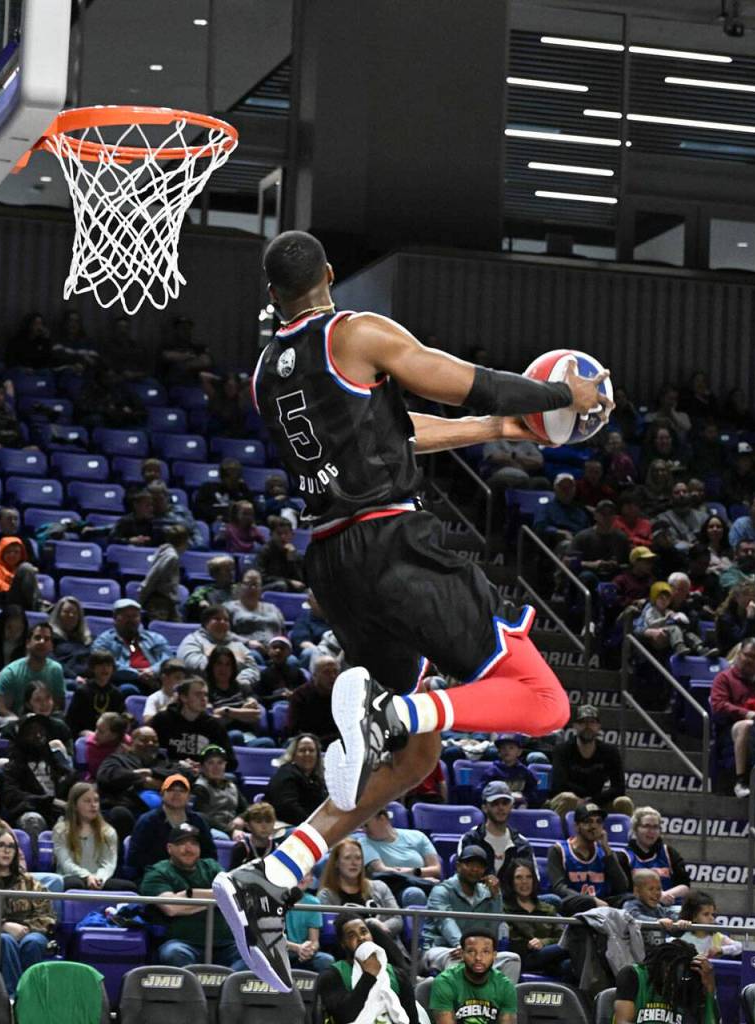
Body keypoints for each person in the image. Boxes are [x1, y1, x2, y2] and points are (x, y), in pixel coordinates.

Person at [211, 231, 600, 990]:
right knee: (545, 703)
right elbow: (468, 384)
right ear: (330, 276)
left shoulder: (265, 374)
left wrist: (495, 431)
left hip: (335, 564)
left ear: (272, 295)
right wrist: (563, 398)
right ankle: (392, 714)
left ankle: (274, 873)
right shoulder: (356, 331)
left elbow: (399, 432)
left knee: (416, 762)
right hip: (392, 545)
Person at [139, 823, 244, 968]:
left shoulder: (211, 866)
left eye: (194, 843)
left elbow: (232, 893)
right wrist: (216, 899)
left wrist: (188, 894)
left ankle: (228, 982)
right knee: (173, 953)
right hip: (182, 944)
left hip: (226, 944)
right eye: (181, 843)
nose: (188, 849)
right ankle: (196, 984)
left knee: (255, 954)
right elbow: (171, 908)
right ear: (169, 848)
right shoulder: (157, 872)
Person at [0, 828, 56, 996]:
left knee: (32, 942)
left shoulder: (30, 882)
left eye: (11, 846)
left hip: (31, 931)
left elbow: (47, 916)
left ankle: (31, 997)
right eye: (1, 845)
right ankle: (11, 997)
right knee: (5, 940)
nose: (6, 850)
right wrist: (2, 926)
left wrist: (24, 929)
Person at [420, 846, 521, 981]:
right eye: (469, 864)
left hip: (474, 952)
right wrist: (461, 946)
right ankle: (456, 995)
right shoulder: (441, 891)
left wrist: (496, 897)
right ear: (458, 866)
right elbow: (446, 922)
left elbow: (491, 930)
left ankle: (499, 996)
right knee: (458, 958)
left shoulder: (487, 893)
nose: (475, 869)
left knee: (512, 959)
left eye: (480, 866)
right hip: (440, 948)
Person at [317, 913, 419, 1024]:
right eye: (352, 935)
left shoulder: (397, 975)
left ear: (371, 936)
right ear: (343, 944)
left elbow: (412, 1020)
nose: (361, 938)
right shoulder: (332, 975)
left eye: (364, 932)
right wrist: (369, 976)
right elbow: (344, 1017)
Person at [548, 704, 634, 818]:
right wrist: (580, 800)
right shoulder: (562, 750)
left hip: (597, 801)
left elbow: (619, 788)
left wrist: (593, 801)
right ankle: (559, 829)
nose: (588, 726)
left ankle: (622, 830)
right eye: (583, 722)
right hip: (570, 801)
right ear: (575, 726)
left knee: (624, 802)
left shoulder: (610, 751)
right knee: (568, 798)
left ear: (598, 726)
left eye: (592, 722)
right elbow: (559, 785)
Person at [126, 774, 218, 881]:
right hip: (156, 877)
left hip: (192, 876)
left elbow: (210, 854)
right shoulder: (147, 821)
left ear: (189, 797)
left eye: (182, 791)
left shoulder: (198, 820)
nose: (176, 794)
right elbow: (136, 858)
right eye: (171, 790)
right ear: (162, 794)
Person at [317, 838, 405, 945]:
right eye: (347, 858)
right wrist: (370, 926)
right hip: (351, 950)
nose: (354, 863)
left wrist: (380, 929)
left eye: (358, 858)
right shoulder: (326, 895)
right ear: (336, 863)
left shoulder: (380, 887)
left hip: (387, 945)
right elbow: (334, 931)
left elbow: (397, 919)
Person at [51, 781, 135, 891]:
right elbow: (65, 863)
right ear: (75, 805)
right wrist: (86, 876)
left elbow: (109, 863)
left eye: (96, 800)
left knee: (129, 887)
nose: (93, 805)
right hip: (71, 877)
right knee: (76, 884)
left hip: (99, 879)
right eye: (87, 801)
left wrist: (98, 878)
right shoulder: (61, 830)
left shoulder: (108, 831)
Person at [96, 724, 176, 836]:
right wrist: (142, 781)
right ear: (131, 742)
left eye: (155, 741)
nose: (150, 743)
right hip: (129, 811)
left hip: (164, 814)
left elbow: (183, 774)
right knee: (119, 814)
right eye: (144, 740)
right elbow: (106, 776)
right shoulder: (118, 759)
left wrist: (151, 772)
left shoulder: (163, 762)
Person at [546, 802, 630, 908]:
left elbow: (622, 887)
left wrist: (607, 850)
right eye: (588, 821)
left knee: (630, 899)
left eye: (598, 822)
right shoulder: (558, 850)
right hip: (573, 904)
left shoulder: (604, 852)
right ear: (576, 826)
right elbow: (559, 888)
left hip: (602, 904)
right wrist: (590, 900)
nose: (594, 826)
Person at [612, 942, 719, 1024]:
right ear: (663, 965)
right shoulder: (633, 975)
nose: (675, 982)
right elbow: (622, 1021)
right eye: (672, 973)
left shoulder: (687, 985)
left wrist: (709, 988)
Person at [710, 637, 755, 797]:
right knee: (747, 725)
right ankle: (740, 781)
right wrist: (746, 713)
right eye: (747, 655)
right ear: (739, 654)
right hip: (730, 729)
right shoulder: (724, 678)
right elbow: (719, 705)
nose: (750, 660)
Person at [429, 929, 519, 1024]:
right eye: (471, 951)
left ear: (494, 955)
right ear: (462, 954)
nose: (478, 958)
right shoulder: (445, 982)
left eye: (485, 952)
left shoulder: (505, 986)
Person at [457, 781, 537, 886]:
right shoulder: (471, 839)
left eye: (505, 803)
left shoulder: (522, 844)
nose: (501, 807)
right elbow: (462, 880)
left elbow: (532, 883)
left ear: (511, 806)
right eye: (495, 803)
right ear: (485, 807)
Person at [359, 806, 441, 907]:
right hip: (393, 890)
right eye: (361, 826)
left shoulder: (417, 836)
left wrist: (413, 872)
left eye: (366, 825)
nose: (364, 830)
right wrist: (421, 881)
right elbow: (383, 873)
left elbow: (436, 869)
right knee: (414, 893)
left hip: (426, 885)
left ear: (382, 818)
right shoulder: (364, 843)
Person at [502, 860, 571, 980]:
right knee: (572, 945)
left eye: (529, 877)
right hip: (524, 957)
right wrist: (531, 945)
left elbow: (561, 937)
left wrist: (543, 942)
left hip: (550, 957)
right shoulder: (504, 909)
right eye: (519, 877)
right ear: (511, 881)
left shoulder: (547, 908)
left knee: (569, 965)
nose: (524, 882)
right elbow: (512, 943)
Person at [150, 676, 235, 769]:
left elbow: (231, 762)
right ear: (183, 697)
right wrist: (176, 764)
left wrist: (204, 766)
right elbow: (150, 754)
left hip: (202, 773)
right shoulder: (163, 720)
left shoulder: (214, 725)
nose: (203, 699)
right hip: (169, 771)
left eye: (205, 695)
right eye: (198, 694)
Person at [618, 806, 691, 906]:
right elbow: (624, 892)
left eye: (655, 827)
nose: (651, 831)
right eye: (646, 826)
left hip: (668, 906)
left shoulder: (668, 852)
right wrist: (656, 897)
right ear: (635, 829)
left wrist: (664, 895)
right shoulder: (624, 855)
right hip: (638, 907)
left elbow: (685, 885)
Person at [92, 598, 171, 690]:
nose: (131, 620)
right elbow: (105, 663)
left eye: (135, 616)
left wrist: (152, 671)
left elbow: (167, 659)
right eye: (126, 616)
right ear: (115, 618)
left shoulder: (155, 638)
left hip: (154, 678)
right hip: (124, 681)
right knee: (127, 688)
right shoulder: (104, 640)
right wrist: (137, 674)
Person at [0, 621, 65, 722]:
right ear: (28, 643)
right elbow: (2, 709)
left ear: (51, 646)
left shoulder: (56, 670)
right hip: (13, 722)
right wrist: (22, 724)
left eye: (47, 639)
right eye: (37, 638)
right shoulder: (10, 672)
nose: (42, 642)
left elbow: (59, 705)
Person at [177, 604, 260, 687]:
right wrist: (234, 660)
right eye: (217, 619)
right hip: (203, 687)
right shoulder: (193, 640)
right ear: (206, 623)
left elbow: (253, 668)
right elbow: (193, 665)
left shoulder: (236, 643)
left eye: (226, 620)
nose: (222, 622)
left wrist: (240, 681)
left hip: (237, 688)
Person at [263, 733, 327, 826]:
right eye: (302, 750)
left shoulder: (318, 778)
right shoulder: (285, 774)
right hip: (284, 825)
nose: (307, 754)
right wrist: (313, 825)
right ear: (293, 754)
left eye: (311, 750)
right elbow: (288, 807)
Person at [192, 743, 249, 839]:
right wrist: (230, 831)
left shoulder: (232, 785)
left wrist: (241, 818)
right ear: (202, 766)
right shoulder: (200, 787)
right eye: (210, 763)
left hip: (234, 829)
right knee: (223, 837)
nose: (216, 767)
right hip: (212, 830)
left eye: (220, 763)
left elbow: (246, 809)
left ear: (225, 765)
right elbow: (203, 817)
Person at [66, 650, 125, 736]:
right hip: (85, 734)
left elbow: (121, 718)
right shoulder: (82, 691)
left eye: (108, 665)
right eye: (101, 665)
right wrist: (81, 732)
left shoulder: (116, 693)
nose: (105, 669)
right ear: (93, 668)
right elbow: (71, 720)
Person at [224, 569, 285, 651]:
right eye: (248, 584)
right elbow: (223, 633)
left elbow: (283, 633)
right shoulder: (228, 607)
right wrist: (247, 642)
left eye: (256, 584)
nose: (252, 588)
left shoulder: (273, 608)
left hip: (275, 651)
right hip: (245, 650)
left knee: (292, 658)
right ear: (239, 586)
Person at [139, 524, 189, 621]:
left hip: (167, 600)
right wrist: (142, 596)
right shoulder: (171, 556)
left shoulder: (165, 550)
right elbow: (153, 576)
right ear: (183, 541)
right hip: (159, 602)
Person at [675, 890, 744, 958]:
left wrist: (721, 949)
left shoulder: (716, 936)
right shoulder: (682, 937)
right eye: (706, 914)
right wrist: (680, 925)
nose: (711, 918)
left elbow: (739, 946)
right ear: (693, 917)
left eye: (712, 914)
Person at [287, 654, 340, 744]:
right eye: (327, 672)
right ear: (315, 675)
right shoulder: (300, 695)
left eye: (335, 672)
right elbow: (293, 730)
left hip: (336, 743)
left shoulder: (343, 695)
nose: (332, 676)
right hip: (308, 743)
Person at [621, 869, 680, 947]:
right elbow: (633, 917)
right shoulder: (630, 905)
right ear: (637, 891)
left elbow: (673, 921)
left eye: (659, 889)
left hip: (657, 951)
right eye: (651, 889)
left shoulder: (659, 908)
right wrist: (657, 921)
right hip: (636, 952)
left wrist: (681, 921)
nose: (656, 893)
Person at [477, 735, 540, 808]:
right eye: (503, 748)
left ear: (519, 752)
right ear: (499, 752)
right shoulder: (492, 771)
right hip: (498, 807)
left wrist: (525, 798)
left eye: (511, 748)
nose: (507, 751)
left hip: (519, 807)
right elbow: (481, 792)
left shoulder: (524, 771)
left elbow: (532, 791)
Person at [256, 516, 308, 592]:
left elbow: (300, 582)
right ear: (271, 534)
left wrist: (291, 561)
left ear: (292, 535)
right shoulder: (264, 552)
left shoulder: (295, 554)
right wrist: (288, 582)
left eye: (286, 533)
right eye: (279, 533)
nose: (283, 537)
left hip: (289, 588)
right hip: (268, 588)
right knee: (281, 585)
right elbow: (262, 577)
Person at [0, 536, 43, 611]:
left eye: (16, 552)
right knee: (26, 567)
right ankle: (39, 606)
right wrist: (15, 584)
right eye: (8, 552)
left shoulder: (25, 571)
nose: (12, 555)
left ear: (21, 554)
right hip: (5, 602)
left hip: (25, 602)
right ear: (1, 553)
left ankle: (38, 606)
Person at [230, 801, 280, 869]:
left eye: (268, 821)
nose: (264, 826)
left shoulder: (277, 848)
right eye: (258, 822)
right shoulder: (241, 848)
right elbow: (233, 873)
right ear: (248, 826)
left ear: (274, 823)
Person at [140, 657, 185, 723]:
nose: (182, 682)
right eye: (177, 678)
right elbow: (147, 721)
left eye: (184, 678)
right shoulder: (155, 698)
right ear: (164, 678)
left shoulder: (186, 697)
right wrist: (170, 705)